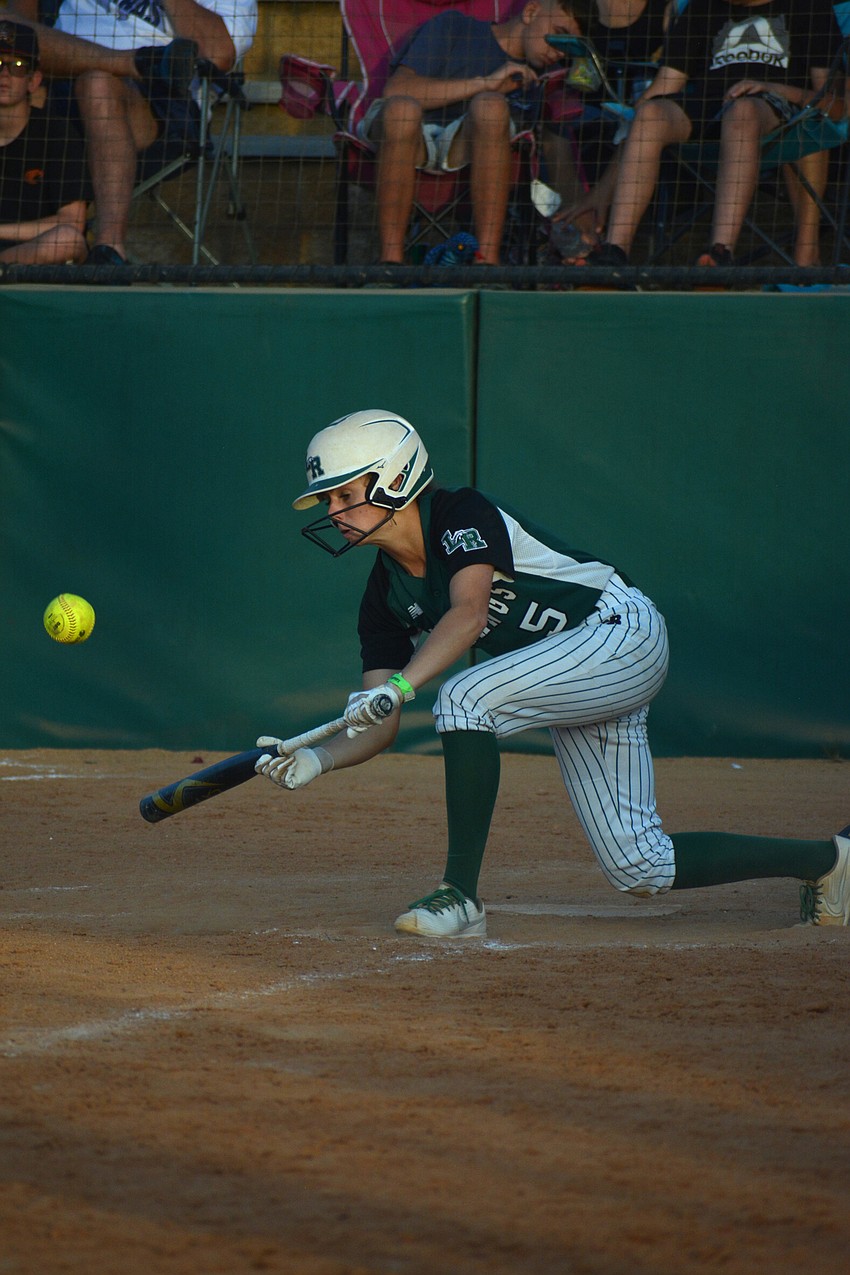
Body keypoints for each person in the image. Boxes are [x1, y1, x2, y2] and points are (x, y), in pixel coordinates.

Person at [253, 409, 849, 938]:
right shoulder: (381, 593)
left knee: (464, 696)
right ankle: (830, 862)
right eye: (327, 500)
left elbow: (467, 615)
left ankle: (459, 895)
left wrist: (401, 687)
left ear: (394, 479)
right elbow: (377, 722)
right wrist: (320, 758)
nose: (333, 512)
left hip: (619, 632)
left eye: (343, 494)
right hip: (569, 676)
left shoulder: (460, 512)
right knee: (640, 866)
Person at [584, 0, 844, 269]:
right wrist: (603, 188)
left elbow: (835, 104)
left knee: (742, 111)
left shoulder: (810, 8)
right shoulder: (703, 6)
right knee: (650, 114)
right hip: (710, 108)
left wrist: (772, 88)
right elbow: (664, 86)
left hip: (776, 111)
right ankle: (615, 251)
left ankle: (720, 252)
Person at [361, 0, 586, 266]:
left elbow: (556, 149)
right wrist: (484, 83)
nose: (560, 51)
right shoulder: (455, 26)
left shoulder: (544, 78)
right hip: (407, 131)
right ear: (531, 12)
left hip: (467, 146)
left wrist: (582, 228)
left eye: (569, 46)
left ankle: (487, 262)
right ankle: (390, 264)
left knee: (490, 106)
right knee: (401, 110)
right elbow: (397, 90)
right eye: (558, 33)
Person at [36, 0, 256, 263]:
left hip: (157, 97)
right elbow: (18, 27)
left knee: (97, 85)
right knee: (10, 42)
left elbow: (217, 53)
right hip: (56, 76)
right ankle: (130, 62)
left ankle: (109, 250)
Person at [543, 0, 672, 258]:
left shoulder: (667, 9)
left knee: (642, 125)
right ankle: (582, 235)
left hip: (642, 111)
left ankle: (599, 241)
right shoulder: (579, 7)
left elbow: (670, 79)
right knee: (551, 128)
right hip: (586, 109)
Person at [0, 20, 89, 263]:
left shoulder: (56, 131)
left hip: (31, 252)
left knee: (67, 239)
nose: (5, 74)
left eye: (18, 66)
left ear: (34, 80)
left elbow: (73, 221)